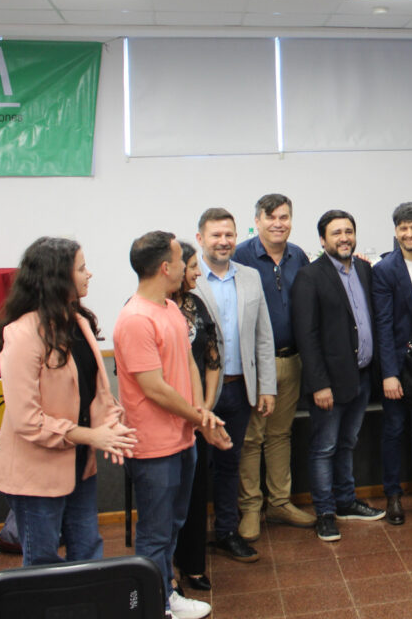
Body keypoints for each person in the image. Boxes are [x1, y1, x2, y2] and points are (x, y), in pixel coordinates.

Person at [0, 237, 136, 566]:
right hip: (35, 474)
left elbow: (97, 393)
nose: (90, 274)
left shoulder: (79, 322)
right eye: (82, 268)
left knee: (87, 550)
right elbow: (28, 421)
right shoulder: (22, 334)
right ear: (57, 277)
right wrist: (92, 436)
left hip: (79, 467)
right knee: (42, 562)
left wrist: (111, 428)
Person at [114, 230, 231, 619]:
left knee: (174, 525)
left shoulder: (170, 309)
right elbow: (155, 389)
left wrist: (203, 417)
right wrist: (198, 417)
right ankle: (153, 605)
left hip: (183, 439)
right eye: (182, 261)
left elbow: (190, 369)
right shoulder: (135, 319)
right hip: (153, 447)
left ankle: (166, 592)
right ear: (166, 267)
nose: (186, 267)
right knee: (155, 531)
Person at [292, 210, 385, 542]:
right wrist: (319, 384)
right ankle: (326, 513)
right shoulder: (309, 276)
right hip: (329, 384)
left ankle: (346, 502)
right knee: (324, 447)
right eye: (336, 233)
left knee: (348, 443)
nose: (344, 237)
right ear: (322, 240)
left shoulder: (363, 268)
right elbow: (307, 336)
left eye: (348, 231)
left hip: (360, 377)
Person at [192, 207, 276, 562]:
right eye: (216, 235)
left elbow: (263, 336)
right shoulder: (188, 279)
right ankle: (192, 541)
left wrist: (266, 386)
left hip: (241, 389)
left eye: (229, 235)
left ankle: (226, 531)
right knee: (195, 469)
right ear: (200, 239)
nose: (224, 242)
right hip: (198, 395)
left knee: (231, 464)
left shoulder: (250, 277)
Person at [233, 194, 315, 539]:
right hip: (253, 364)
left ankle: (280, 502)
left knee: (280, 435)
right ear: (257, 220)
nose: (278, 223)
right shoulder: (240, 256)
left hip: (292, 359)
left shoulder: (300, 256)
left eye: (284, 217)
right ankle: (250, 508)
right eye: (271, 217)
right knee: (252, 438)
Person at [372, 202, 412, 525]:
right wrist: (389, 374)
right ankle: (393, 495)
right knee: (395, 430)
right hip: (398, 365)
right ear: (396, 232)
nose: (410, 233)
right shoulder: (384, 269)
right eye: (403, 228)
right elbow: (383, 326)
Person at [172, 242, 220, 593]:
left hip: (198, 415)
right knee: (167, 498)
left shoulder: (196, 305)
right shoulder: (144, 310)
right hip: (168, 419)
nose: (197, 272)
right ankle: (165, 569)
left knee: (195, 491)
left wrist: (203, 409)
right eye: (191, 266)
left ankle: (193, 564)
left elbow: (212, 357)